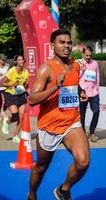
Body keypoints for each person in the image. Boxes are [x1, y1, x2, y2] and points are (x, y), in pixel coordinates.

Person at [27, 29, 90, 200]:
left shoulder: (75, 66)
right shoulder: (46, 69)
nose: (66, 46)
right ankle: (32, 194)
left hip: (71, 122)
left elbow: (73, 85)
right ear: (52, 45)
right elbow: (32, 99)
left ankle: (63, 190)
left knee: (83, 162)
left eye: (69, 42)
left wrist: (80, 91)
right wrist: (55, 86)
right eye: (62, 42)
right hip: (50, 126)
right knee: (41, 167)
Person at [0, 55, 29, 143]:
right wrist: (12, 84)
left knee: (22, 116)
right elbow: (2, 83)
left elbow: (24, 86)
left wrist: (26, 84)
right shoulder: (12, 71)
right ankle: (7, 121)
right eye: (19, 60)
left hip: (21, 94)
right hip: (11, 94)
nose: (21, 61)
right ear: (16, 62)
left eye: (22, 60)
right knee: (15, 115)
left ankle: (15, 136)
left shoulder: (26, 72)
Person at [79, 46, 100, 142]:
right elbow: (76, 77)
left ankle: (92, 132)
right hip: (83, 92)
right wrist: (82, 70)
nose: (88, 57)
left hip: (94, 92)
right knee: (82, 114)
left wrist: (97, 88)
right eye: (86, 55)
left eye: (90, 55)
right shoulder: (79, 63)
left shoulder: (95, 63)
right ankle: (83, 132)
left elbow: (97, 76)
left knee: (96, 111)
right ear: (83, 54)